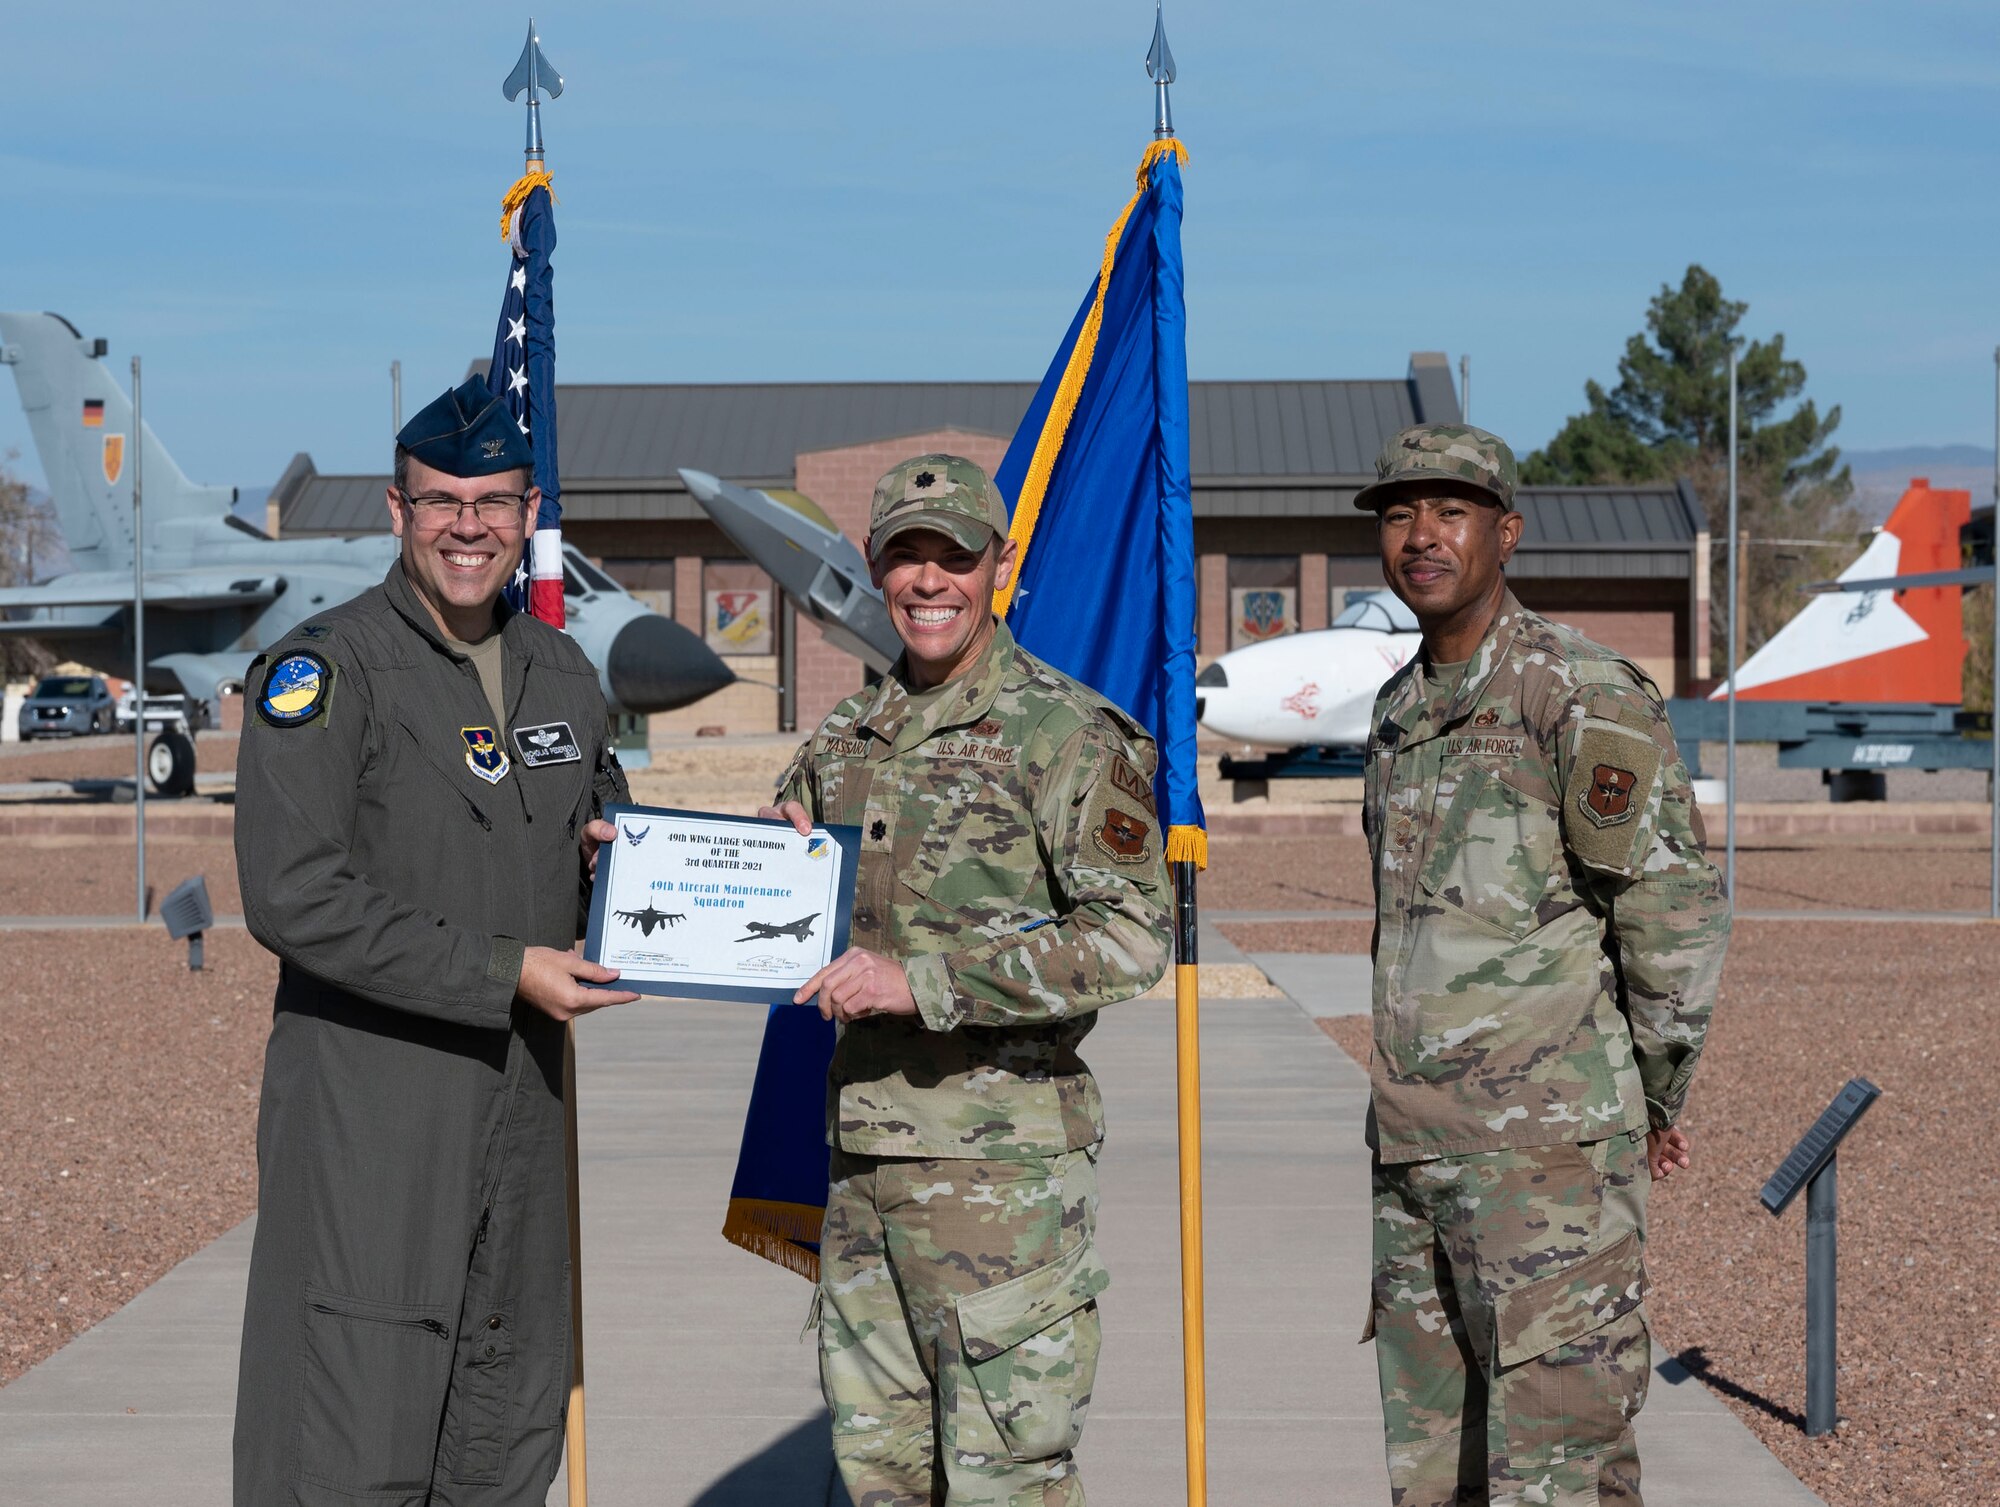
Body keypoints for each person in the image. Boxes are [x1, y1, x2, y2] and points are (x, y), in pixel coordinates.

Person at [232, 375, 637, 1505]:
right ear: (398, 510)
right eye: (443, 500)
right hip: (377, 1106)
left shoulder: (563, 672)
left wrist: (727, 875)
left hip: (526, 1101)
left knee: (505, 1421)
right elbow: (292, 893)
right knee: (350, 1432)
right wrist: (502, 968)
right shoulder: (326, 671)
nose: (470, 525)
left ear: (528, 512)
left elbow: (590, 844)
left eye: (494, 502)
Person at [760, 454, 1172, 1507]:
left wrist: (924, 982)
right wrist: (659, 872)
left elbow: (1129, 935)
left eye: (955, 556)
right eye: (907, 555)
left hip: (1004, 1189)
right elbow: (775, 897)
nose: (929, 580)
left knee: (1004, 1486)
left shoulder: (1066, 733)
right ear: (873, 566)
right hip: (862, 1170)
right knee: (876, 1479)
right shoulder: (845, 740)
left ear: (1001, 564)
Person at [1354, 424, 1729, 1506]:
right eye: (1397, 515)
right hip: (1414, 1153)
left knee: (1558, 1471)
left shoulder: (1575, 690)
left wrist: (1651, 1096)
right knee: (1434, 1473)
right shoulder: (1398, 709)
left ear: (1504, 533)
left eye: (1449, 512)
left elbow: (1667, 913)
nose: (1419, 537)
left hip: (1546, 1165)